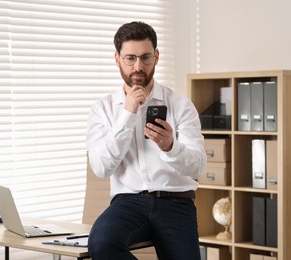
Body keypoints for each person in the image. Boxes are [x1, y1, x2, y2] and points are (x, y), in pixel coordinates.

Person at [86, 21, 206, 260]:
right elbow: (101, 168)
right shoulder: (103, 109)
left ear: (157, 56)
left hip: (176, 202)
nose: (138, 66)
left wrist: (171, 146)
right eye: (130, 58)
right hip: (128, 203)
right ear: (117, 59)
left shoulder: (180, 105)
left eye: (145, 57)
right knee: (101, 243)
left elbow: (199, 166)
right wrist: (127, 114)